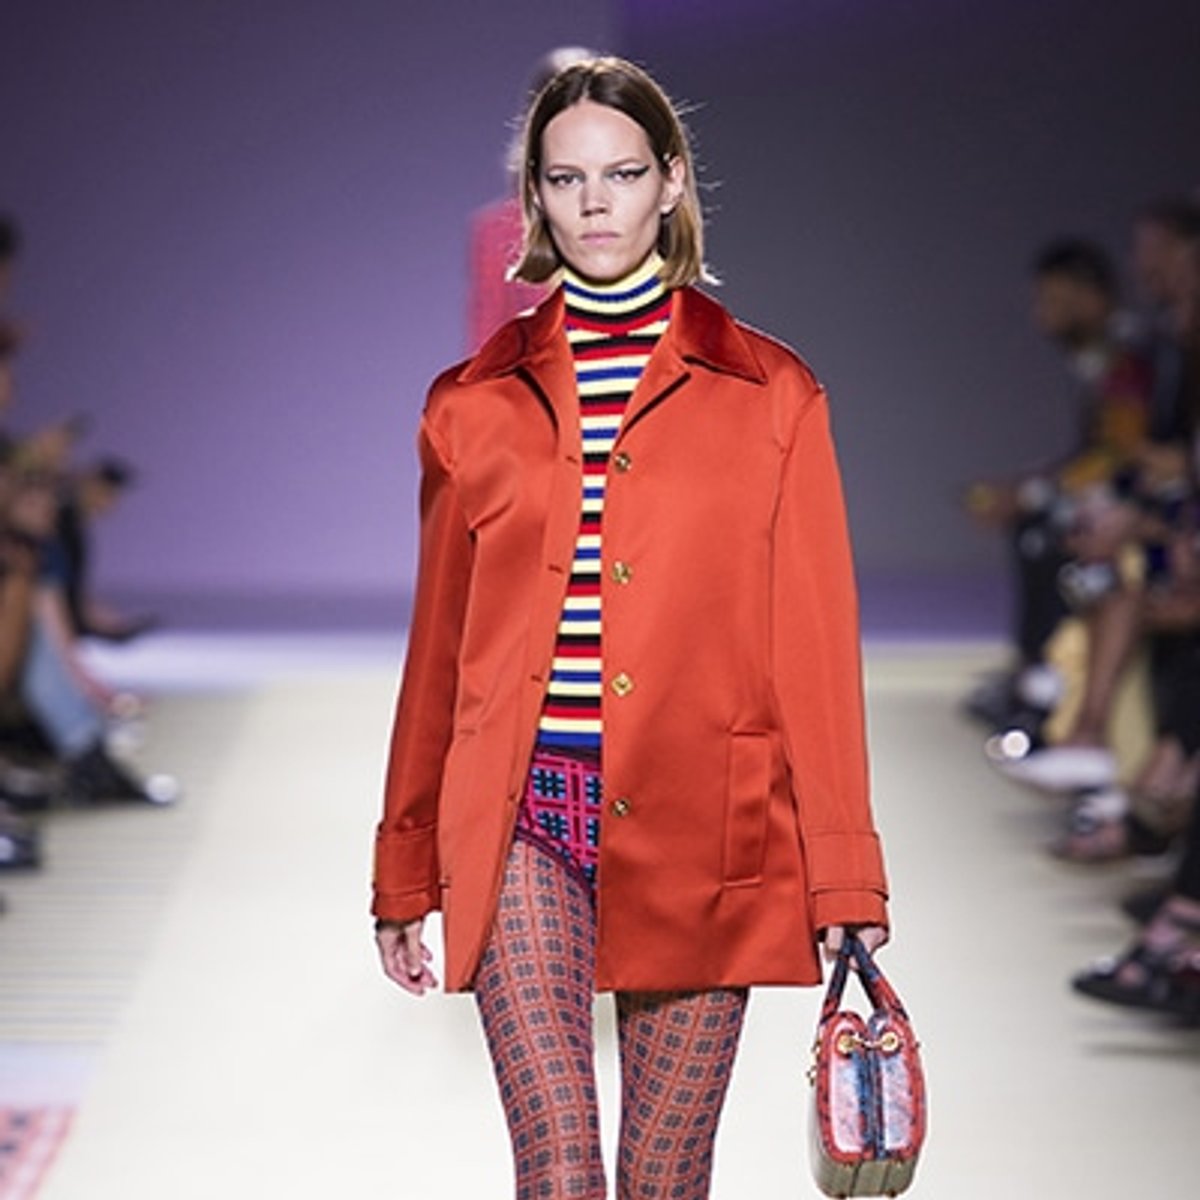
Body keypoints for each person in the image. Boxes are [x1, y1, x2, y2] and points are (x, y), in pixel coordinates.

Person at [371, 57, 890, 1199]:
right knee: (559, 1169)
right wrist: (403, 865)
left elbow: (814, 650)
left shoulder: (773, 395)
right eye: (566, 179)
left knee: (662, 1177)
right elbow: (440, 653)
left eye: (621, 174)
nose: (595, 203)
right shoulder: (470, 405)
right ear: (536, 197)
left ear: (671, 183)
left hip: (707, 818)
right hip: (524, 812)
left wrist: (846, 881)